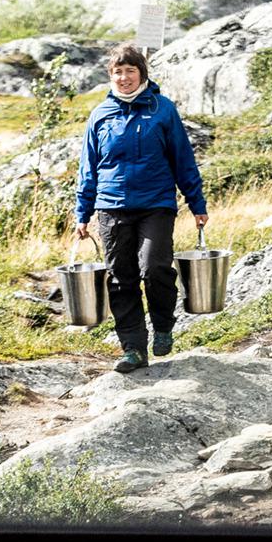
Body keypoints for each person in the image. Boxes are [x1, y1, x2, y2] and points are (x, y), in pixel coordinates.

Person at [73, 43, 207, 373]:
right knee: (121, 277)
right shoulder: (100, 115)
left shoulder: (162, 110)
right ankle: (133, 348)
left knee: (155, 267)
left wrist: (196, 202)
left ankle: (162, 326)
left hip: (156, 204)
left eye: (130, 71)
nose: (124, 77)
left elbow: (182, 159)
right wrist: (83, 212)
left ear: (142, 74)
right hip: (111, 206)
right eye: (118, 71)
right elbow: (88, 167)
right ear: (111, 76)